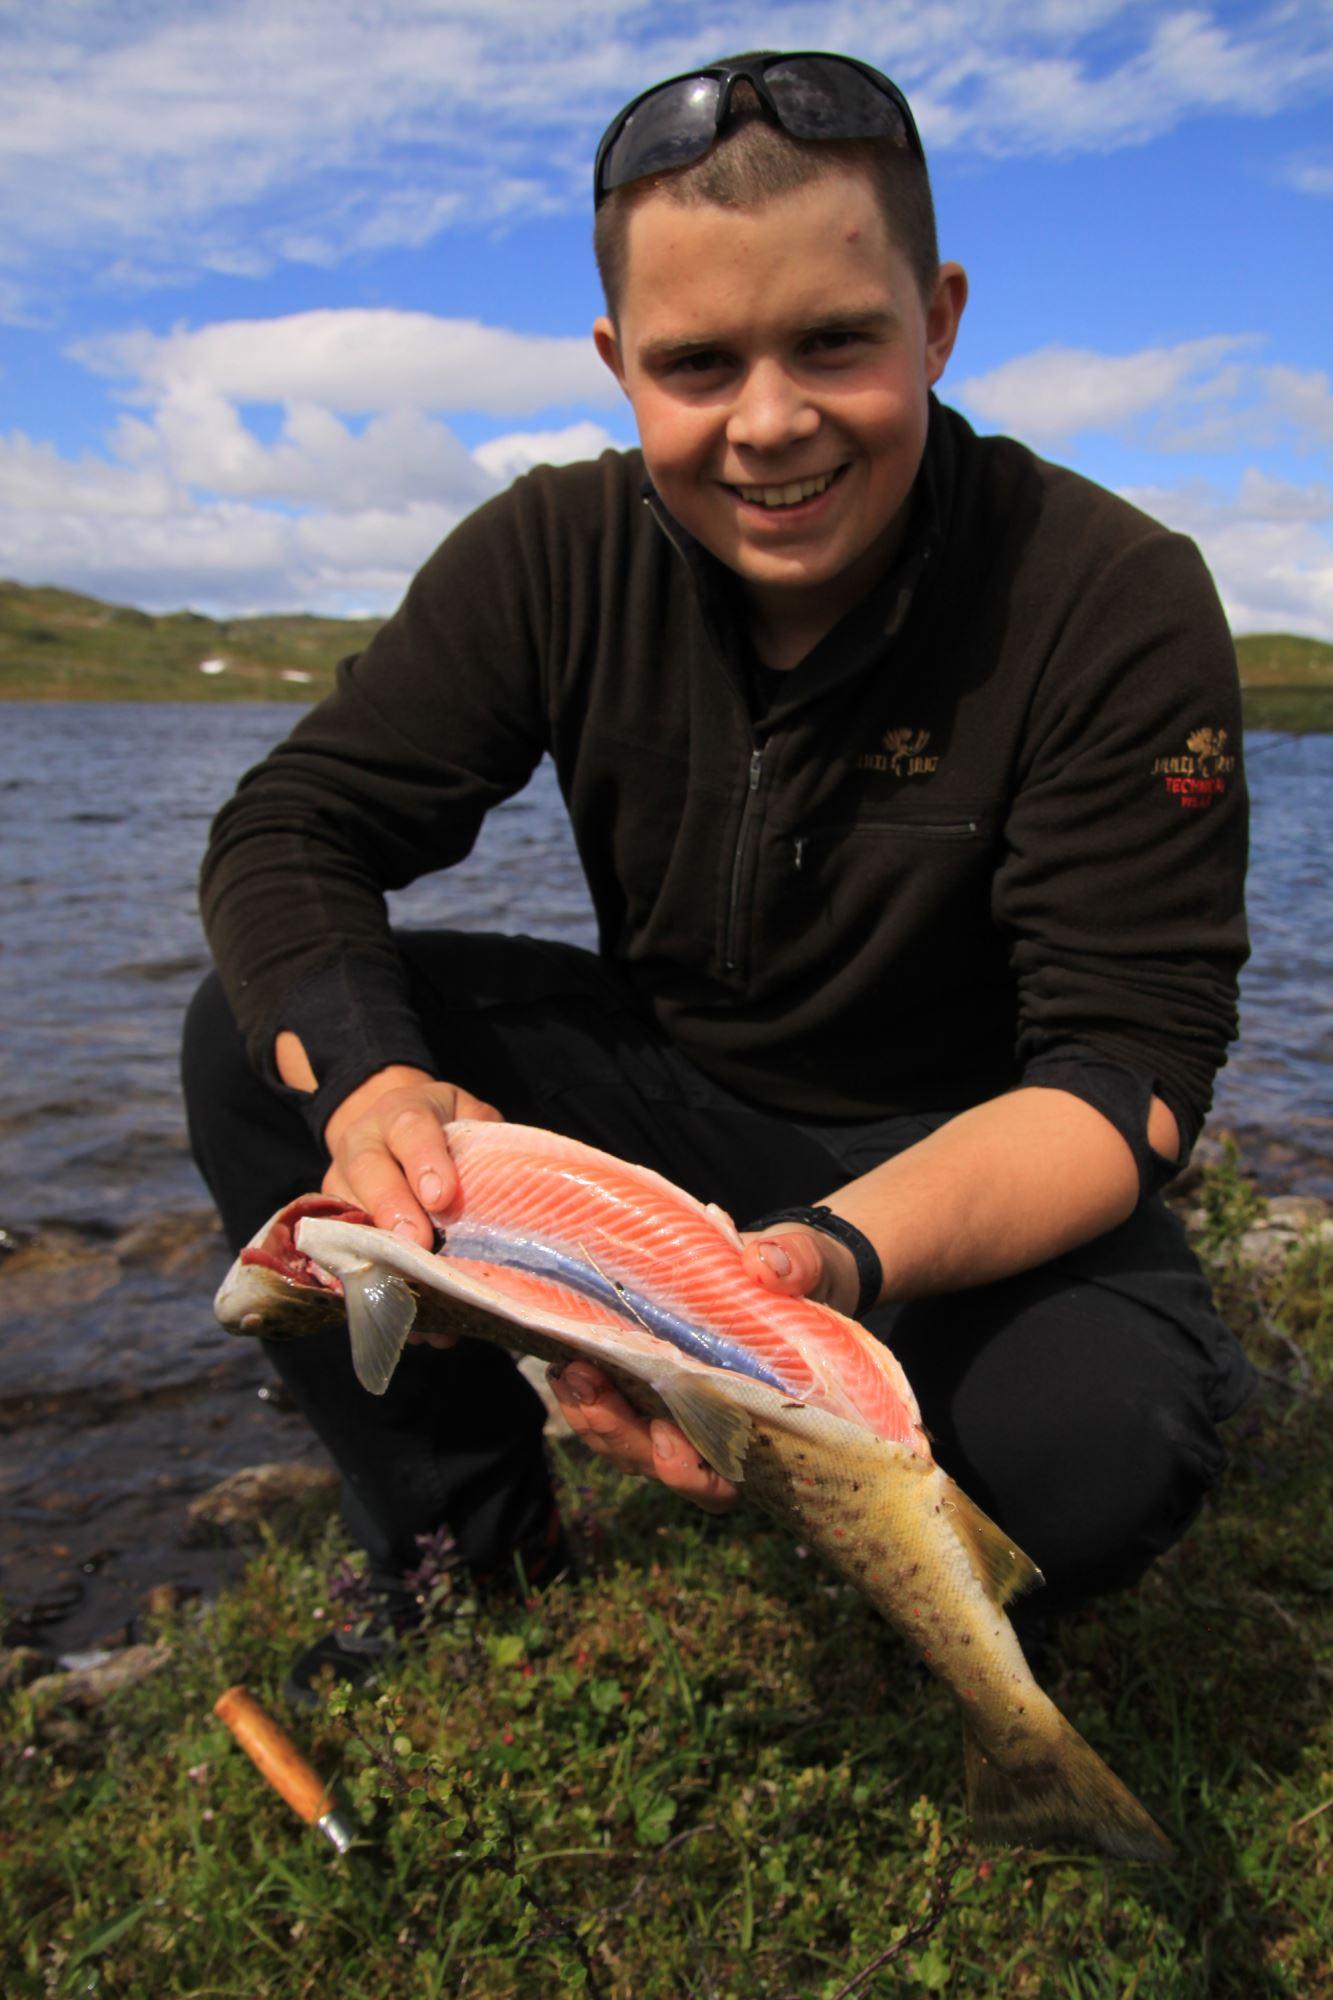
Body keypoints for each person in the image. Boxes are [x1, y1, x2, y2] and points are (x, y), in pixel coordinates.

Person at [184, 50, 1254, 1699]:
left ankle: (877, 1491)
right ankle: (466, 1547)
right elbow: (294, 831)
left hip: (964, 1156)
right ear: (619, 366)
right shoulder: (550, 554)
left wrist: (811, 1270)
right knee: (263, 1039)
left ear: (939, 318)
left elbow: (1124, 1080)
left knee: (1100, 1452)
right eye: (697, 364)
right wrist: (377, 1088)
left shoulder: (1109, 595)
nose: (768, 423)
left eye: (834, 342)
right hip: (675, 1102)